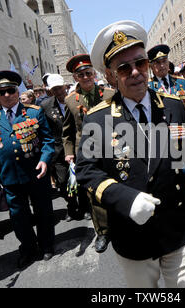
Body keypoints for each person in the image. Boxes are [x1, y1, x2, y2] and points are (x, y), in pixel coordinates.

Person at [78, 20, 185, 288]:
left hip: (176, 224)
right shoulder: (98, 120)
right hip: (132, 235)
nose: (135, 72)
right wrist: (125, 198)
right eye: (124, 67)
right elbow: (87, 171)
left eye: (140, 63)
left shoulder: (172, 107)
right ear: (110, 76)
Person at [0, 70, 56, 269]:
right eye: (1, 92)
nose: (7, 95)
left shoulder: (34, 112)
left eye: (10, 90)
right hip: (9, 177)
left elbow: (48, 141)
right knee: (18, 217)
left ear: (17, 91)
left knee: (43, 211)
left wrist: (44, 160)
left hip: (35, 172)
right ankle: (28, 247)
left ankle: (47, 244)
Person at [63, 54, 116, 253]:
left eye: (88, 73)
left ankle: (120, 223)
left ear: (94, 74)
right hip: (86, 152)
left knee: (117, 185)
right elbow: (67, 131)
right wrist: (69, 153)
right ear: (76, 78)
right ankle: (102, 232)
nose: (85, 77)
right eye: (81, 75)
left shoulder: (109, 94)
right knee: (94, 194)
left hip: (112, 148)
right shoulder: (70, 101)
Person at [147, 44, 185, 225]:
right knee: (166, 177)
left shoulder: (181, 83)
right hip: (161, 138)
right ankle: (171, 212)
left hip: (182, 135)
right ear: (151, 66)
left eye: (164, 61)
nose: (162, 66)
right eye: (157, 63)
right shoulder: (148, 88)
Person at [40, 74, 79, 223]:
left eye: (60, 88)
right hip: (59, 151)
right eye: (54, 89)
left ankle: (85, 207)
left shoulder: (77, 100)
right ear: (51, 91)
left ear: (66, 87)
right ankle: (71, 205)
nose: (59, 91)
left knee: (82, 179)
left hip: (78, 147)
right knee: (63, 182)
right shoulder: (46, 106)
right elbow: (45, 129)